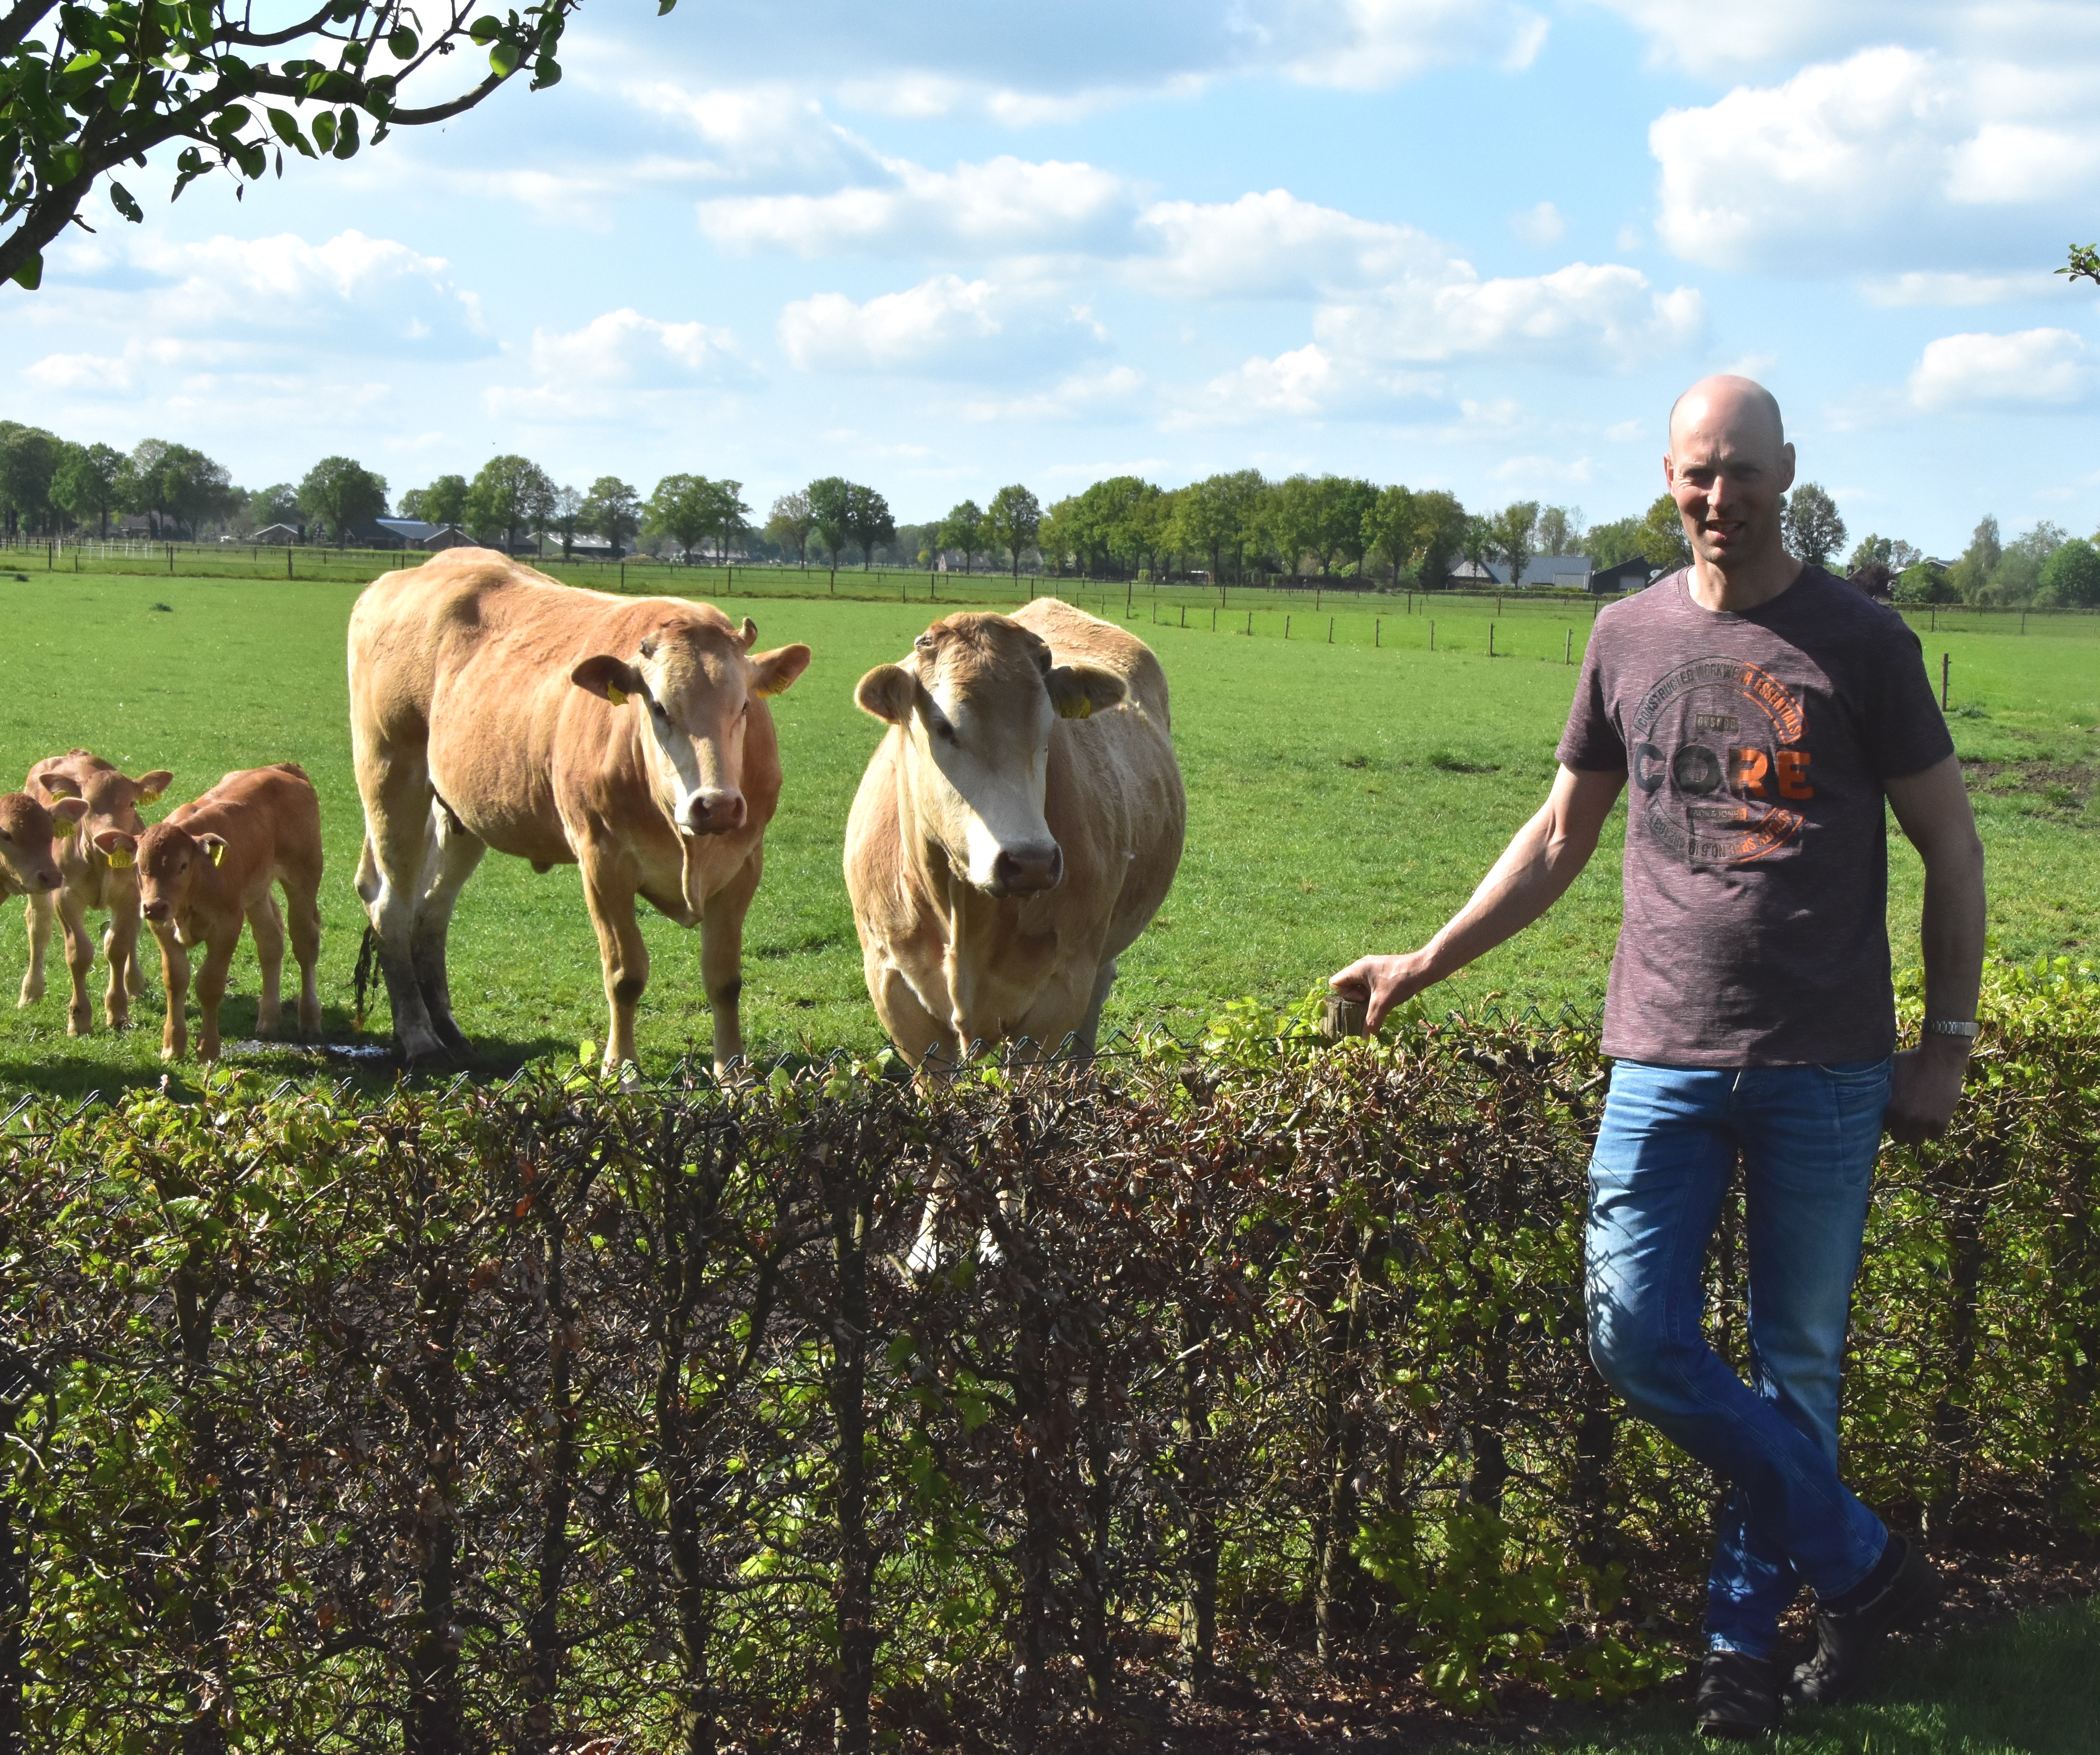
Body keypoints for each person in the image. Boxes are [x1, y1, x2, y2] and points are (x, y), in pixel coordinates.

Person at [1330, 376, 1985, 1738]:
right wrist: (1423, 960)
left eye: (1742, 472)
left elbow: (1954, 849)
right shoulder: (1623, 635)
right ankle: (1861, 1565)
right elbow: (1562, 833)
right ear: (1666, 479)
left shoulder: (1864, 641)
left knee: (1797, 1362)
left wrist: (1949, 1045)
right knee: (1633, 1333)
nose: (1718, 497)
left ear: (1787, 473)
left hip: (1827, 1068)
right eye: (1697, 473)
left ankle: (1741, 1660)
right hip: (1662, 1054)